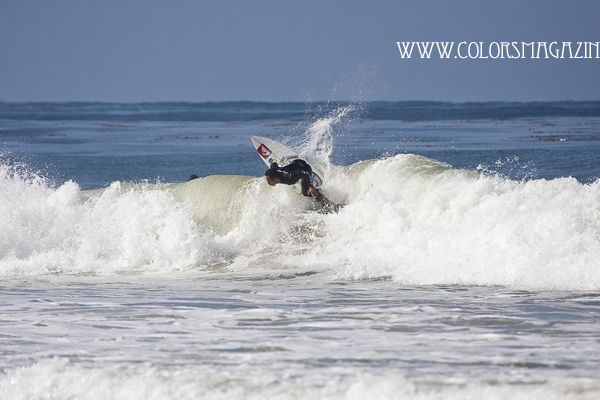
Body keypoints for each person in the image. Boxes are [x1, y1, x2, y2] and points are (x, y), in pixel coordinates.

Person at [265, 159, 337, 211]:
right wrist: (273, 161)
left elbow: (305, 173)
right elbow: (274, 165)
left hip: (305, 168)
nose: (268, 183)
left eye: (269, 181)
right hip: (295, 162)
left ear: (275, 179)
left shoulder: (290, 177)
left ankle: (323, 198)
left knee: (305, 192)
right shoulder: (274, 169)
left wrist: (311, 186)